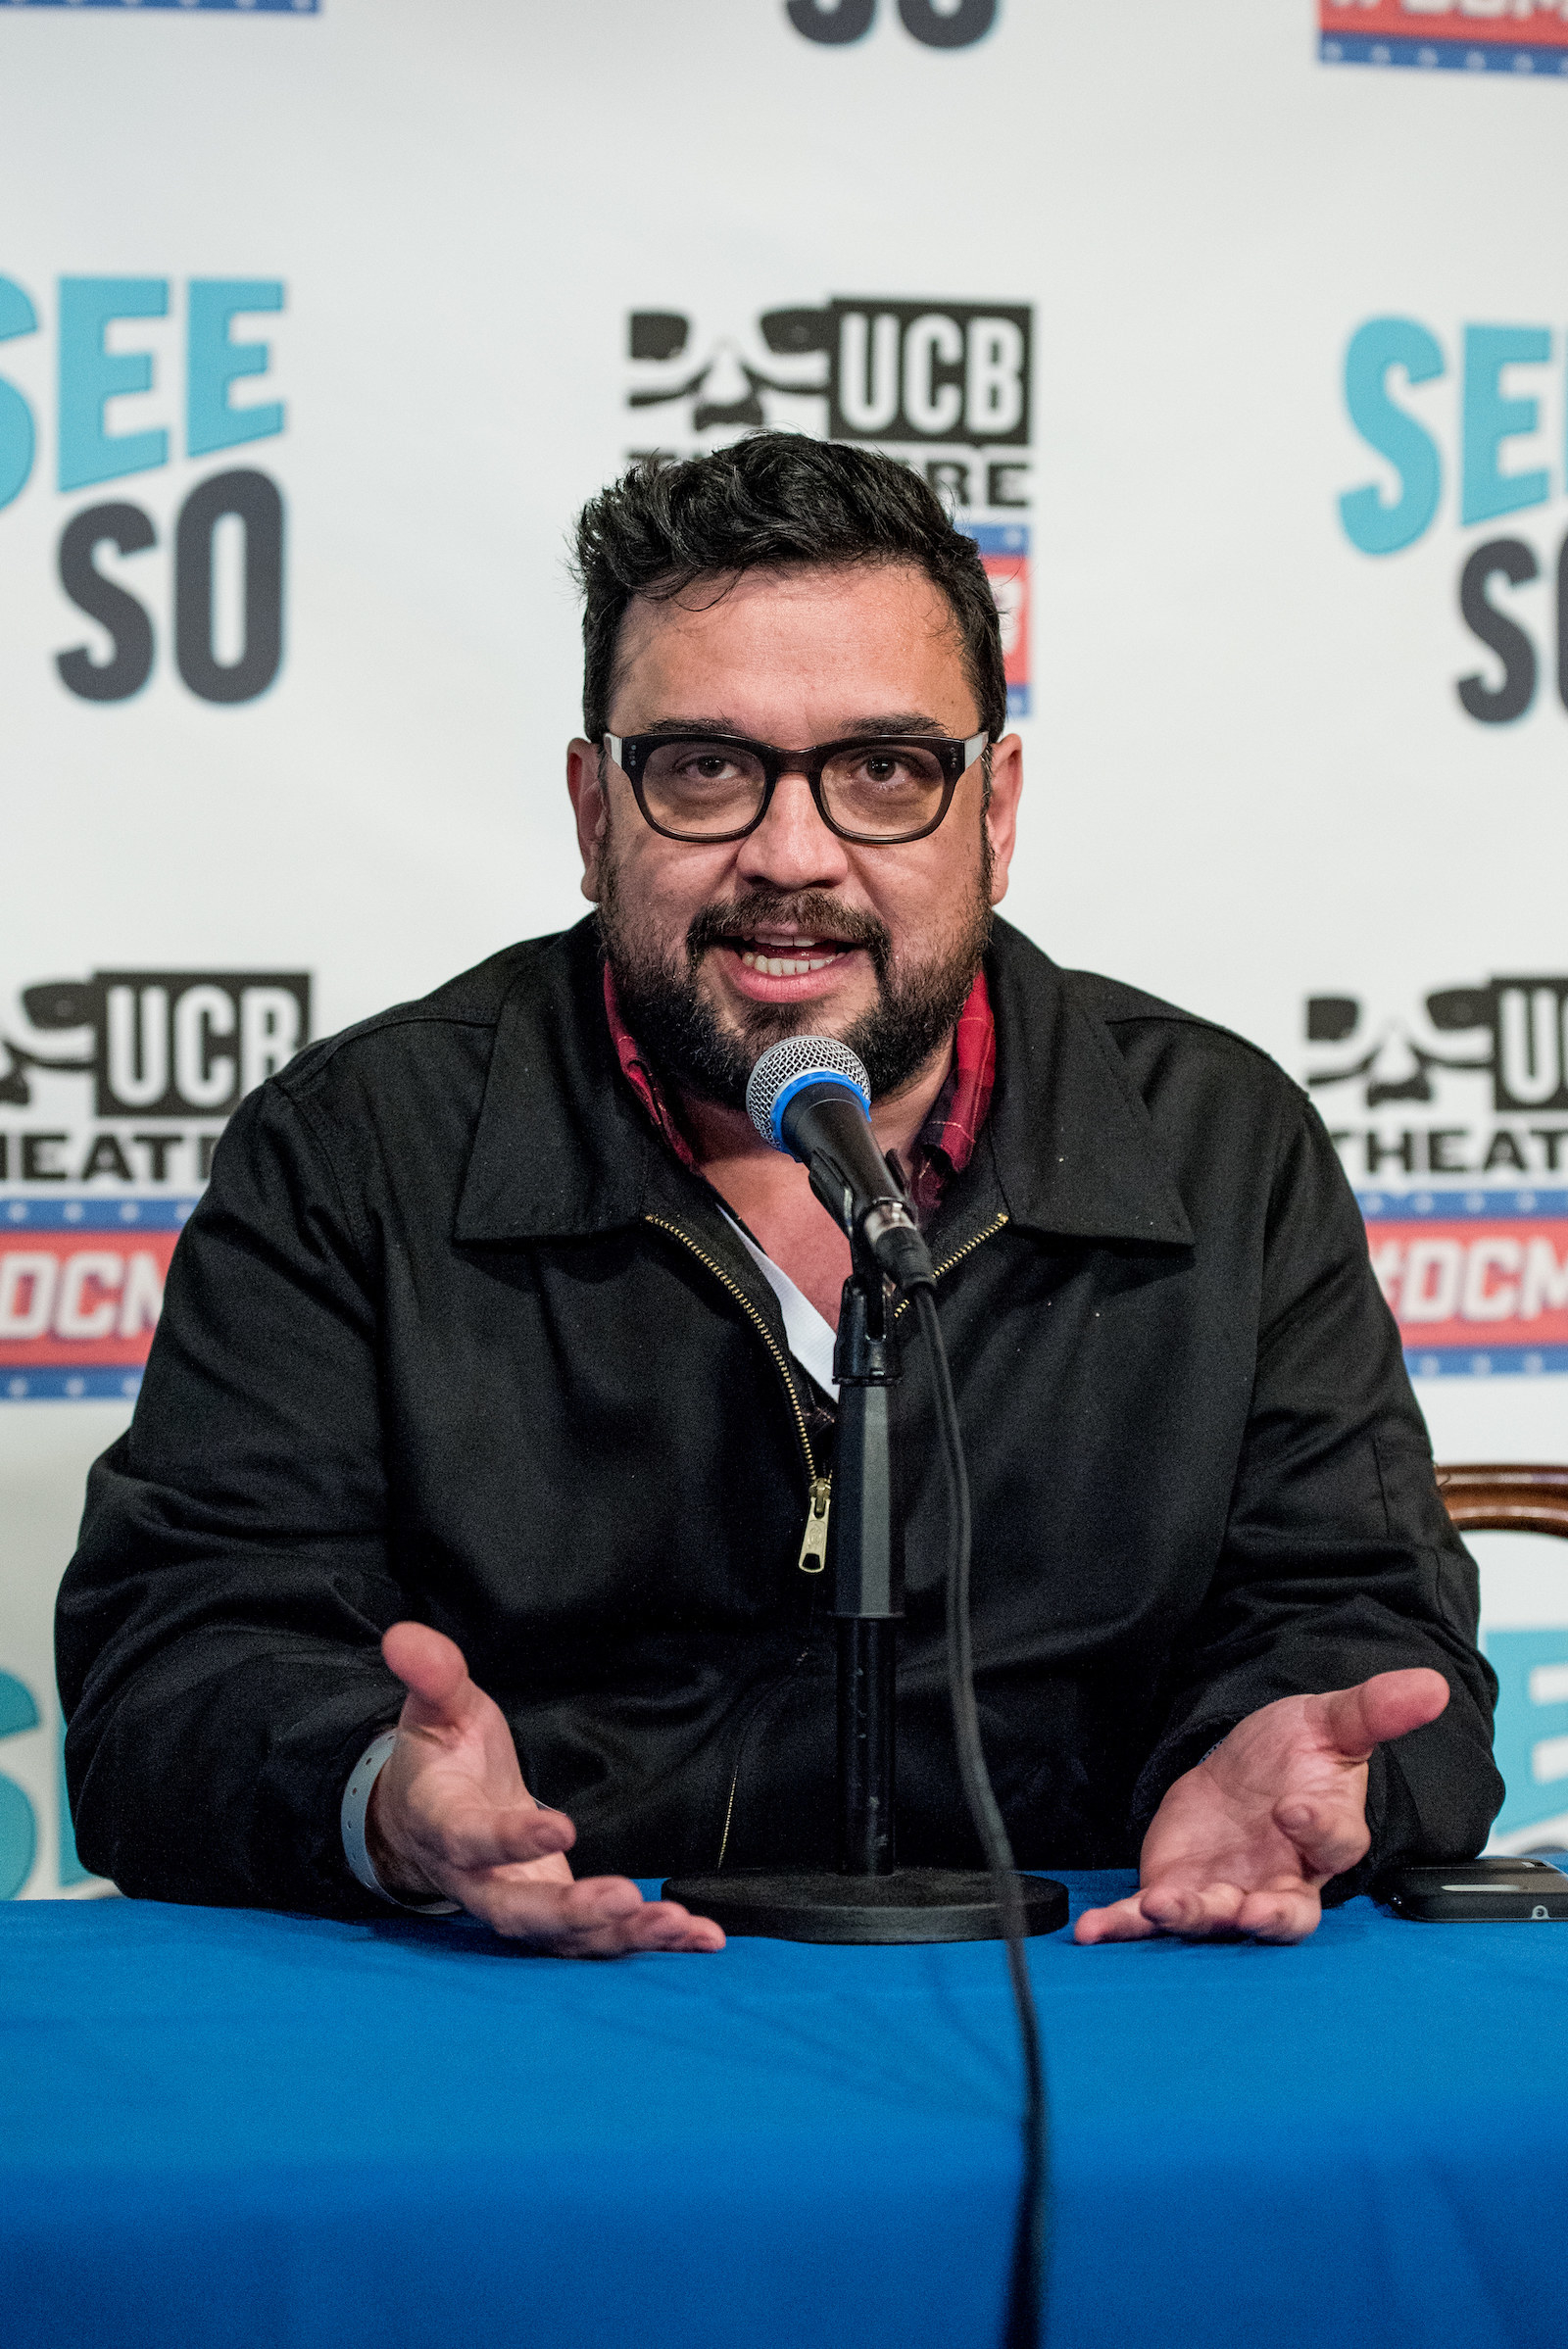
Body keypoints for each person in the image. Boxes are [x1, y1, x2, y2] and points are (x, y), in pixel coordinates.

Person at [57, 434, 1500, 1956]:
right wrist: (377, 1795)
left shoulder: (1220, 1143)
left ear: (994, 809)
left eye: (883, 769)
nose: (790, 854)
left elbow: (1374, 1641)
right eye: (703, 769)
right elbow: (169, 1671)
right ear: (594, 810)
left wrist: (1292, 1764)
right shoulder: (357, 1147)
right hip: (535, 2006)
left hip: (1090, 1986)